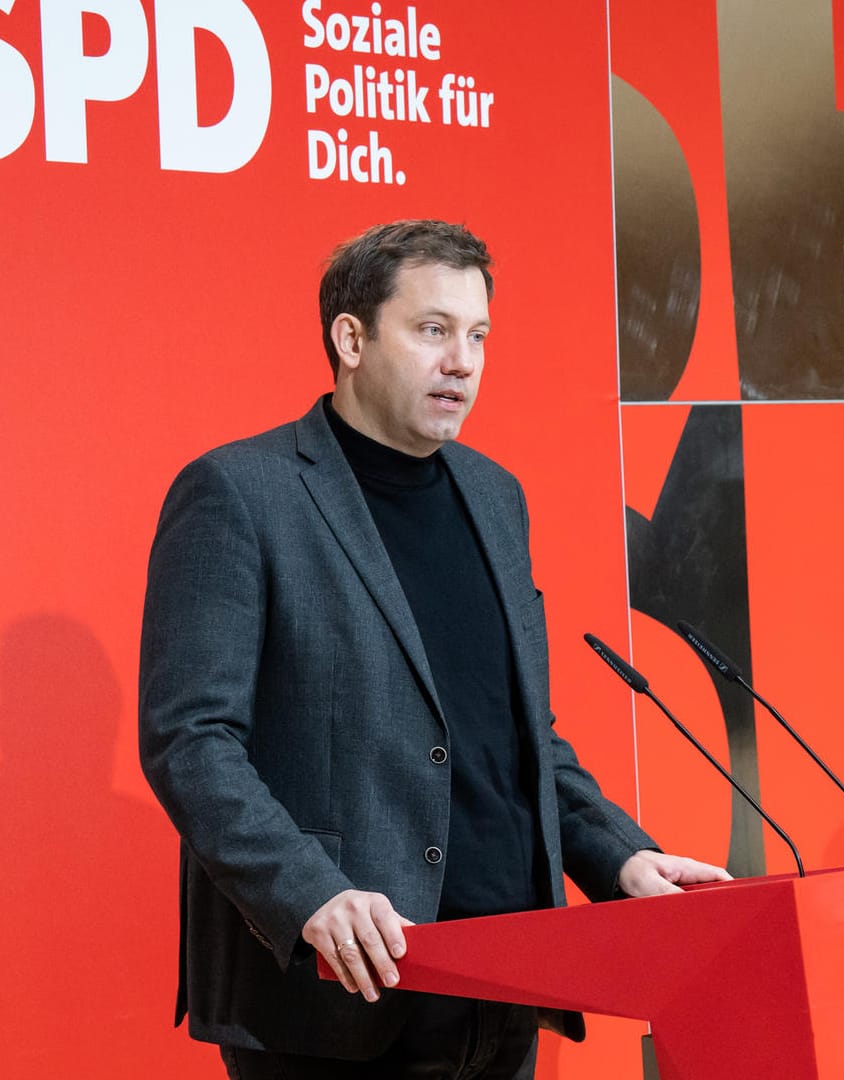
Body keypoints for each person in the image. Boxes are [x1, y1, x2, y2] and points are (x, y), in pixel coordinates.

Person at [138, 220, 730, 1079]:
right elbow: (190, 741)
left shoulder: (495, 498)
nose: (464, 361)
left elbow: (518, 738)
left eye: (479, 335)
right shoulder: (241, 493)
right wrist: (313, 895)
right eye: (433, 330)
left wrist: (619, 858)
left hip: (501, 988)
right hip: (339, 999)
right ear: (351, 338)